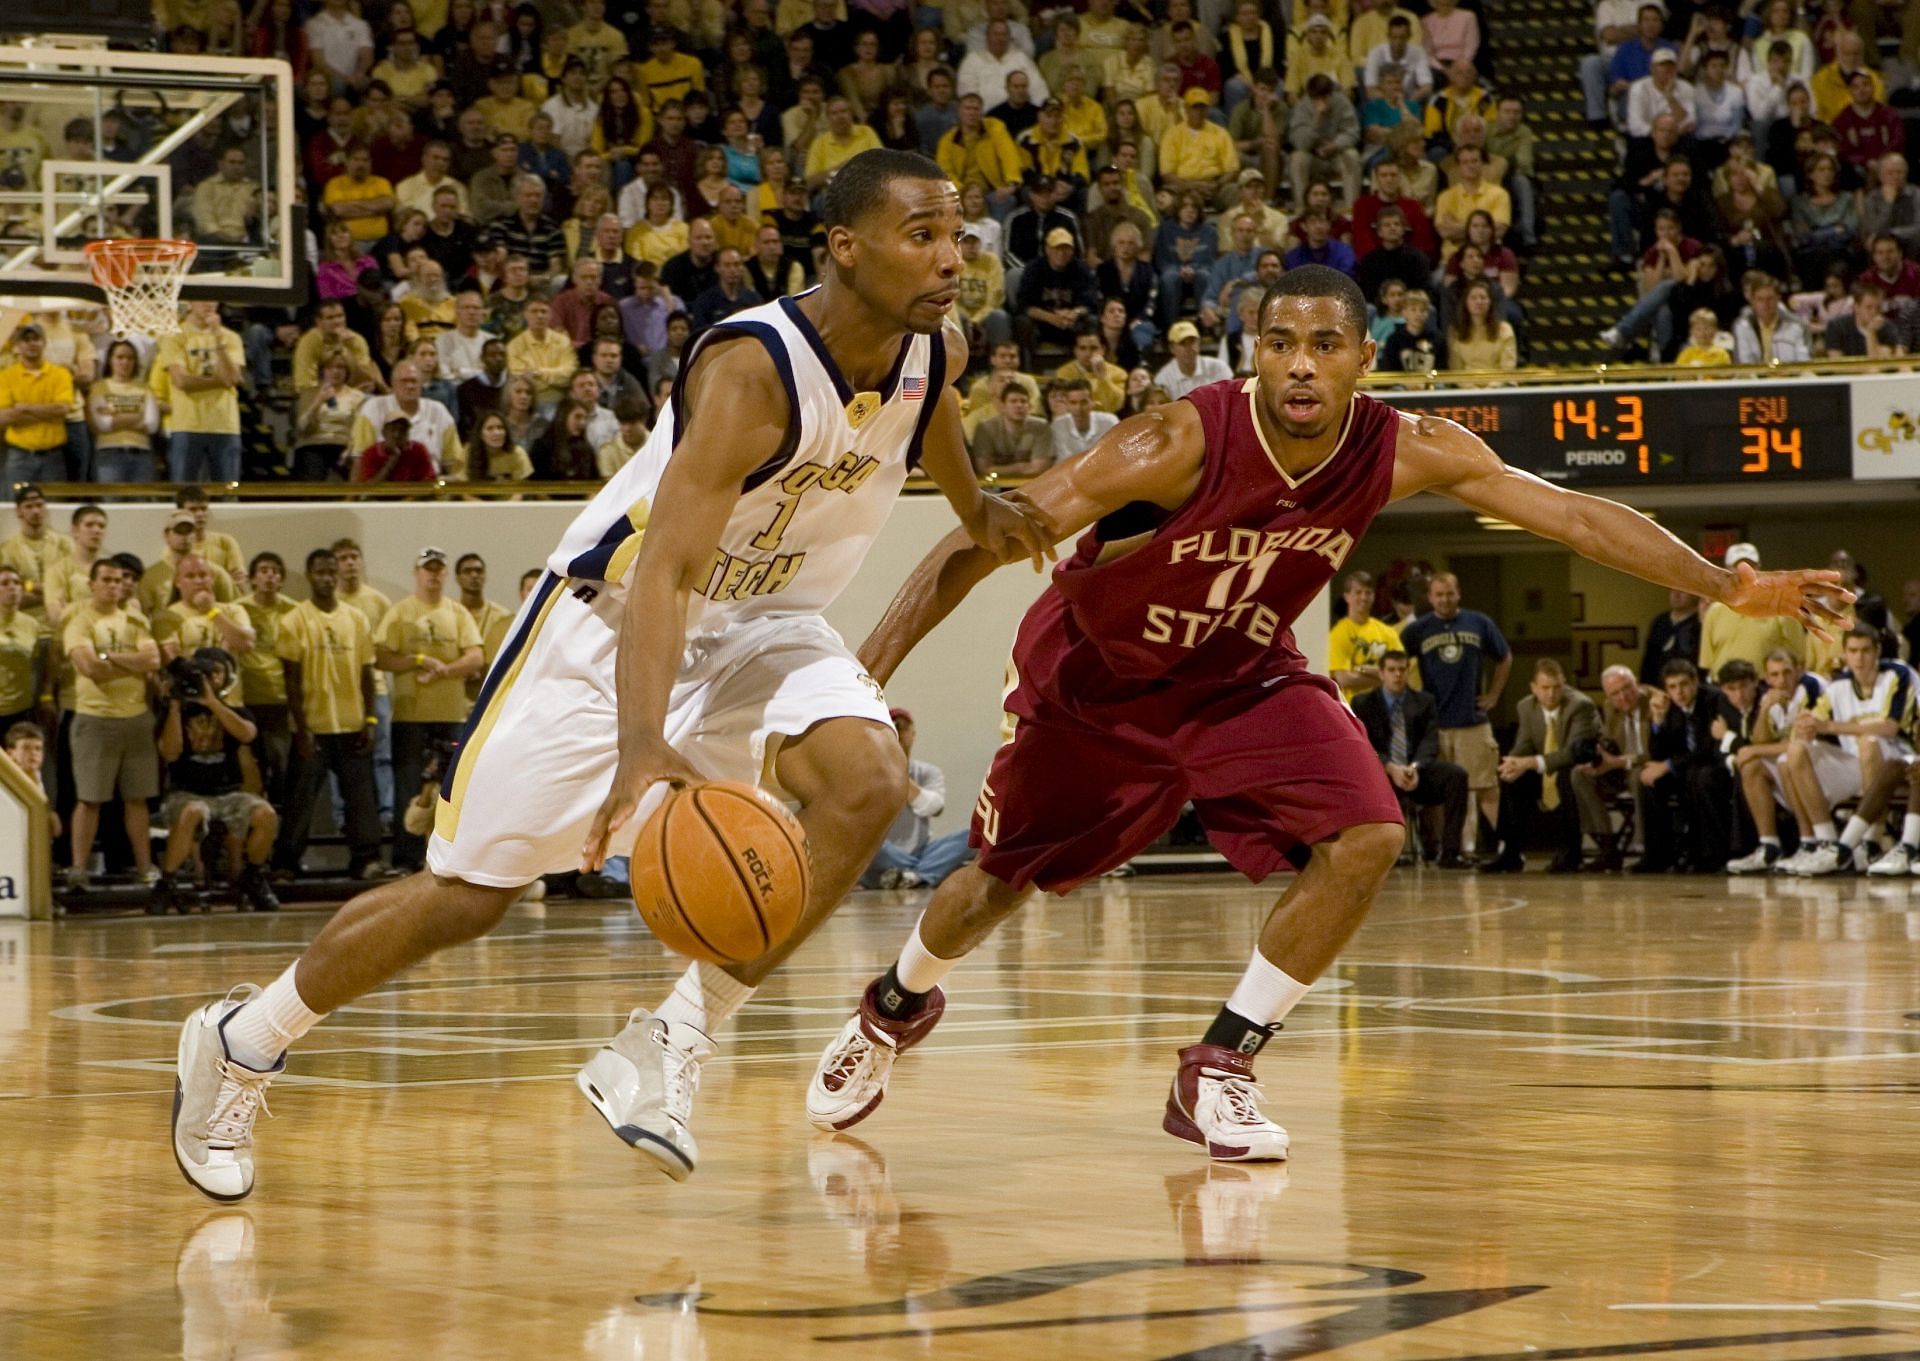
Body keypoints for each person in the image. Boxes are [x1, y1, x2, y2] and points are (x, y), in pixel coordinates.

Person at [801, 265, 1844, 1160]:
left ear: (1365, 359)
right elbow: (976, 540)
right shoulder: (1172, 441)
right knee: (994, 885)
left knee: (1368, 834)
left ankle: (1220, 1063)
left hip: (1241, 674)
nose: (1302, 363)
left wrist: (1725, 583)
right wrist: (860, 675)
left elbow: (1571, 511)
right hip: (1098, 685)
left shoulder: (1405, 446)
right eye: (1281, 343)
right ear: (1252, 353)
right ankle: (891, 1007)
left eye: (1326, 345)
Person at [168, 150, 1049, 1201]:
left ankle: (671, 1038)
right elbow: (669, 569)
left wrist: (973, 503)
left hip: (768, 621)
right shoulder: (752, 369)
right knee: (469, 895)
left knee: (869, 783)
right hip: (613, 619)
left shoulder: (934, 346)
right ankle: (243, 1038)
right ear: (846, 249)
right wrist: (643, 739)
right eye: (923, 236)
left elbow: (931, 407)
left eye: (958, 233)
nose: (952, 257)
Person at [275, 547, 388, 881]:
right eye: (319, 572)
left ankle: (366, 859)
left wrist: (370, 720)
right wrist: (301, 728)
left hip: (354, 725)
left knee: (361, 800)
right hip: (313, 728)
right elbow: (290, 681)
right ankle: (286, 863)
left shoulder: (356, 619)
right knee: (300, 801)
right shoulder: (294, 620)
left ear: (337, 576)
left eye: (330, 572)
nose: (326, 578)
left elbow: (367, 674)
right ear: (310, 576)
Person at [153, 647, 281, 915]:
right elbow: (170, 752)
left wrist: (213, 704)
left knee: (266, 814)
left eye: (216, 675)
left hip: (228, 792)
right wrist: (175, 708)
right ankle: (167, 883)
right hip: (185, 792)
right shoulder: (174, 711)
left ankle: (253, 876)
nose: (211, 681)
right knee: (192, 811)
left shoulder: (236, 711)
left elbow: (247, 735)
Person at [1779, 627, 1915, 877]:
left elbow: (1890, 727)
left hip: (1895, 759)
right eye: (1853, 651)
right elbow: (1812, 724)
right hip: (1854, 763)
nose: (1859, 658)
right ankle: (1827, 841)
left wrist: (1828, 726)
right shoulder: (1837, 686)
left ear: (1877, 651)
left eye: (1865, 651)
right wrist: (1806, 726)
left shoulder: (1896, 674)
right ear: (1845, 654)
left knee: (1869, 741)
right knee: (1795, 752)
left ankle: (1872, 841)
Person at [63, 559, 162, 894]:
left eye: (119, 580)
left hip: (135, 717)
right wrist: (126, 662)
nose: (113, 586)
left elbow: (152, 660)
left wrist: (111, 659)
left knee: (138, 799)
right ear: (92, 584)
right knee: (90, 799)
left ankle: (146, 867)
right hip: (95, 718)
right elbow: (90, 668)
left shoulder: (135, 620)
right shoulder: (79, 622)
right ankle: (78, 868)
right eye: (106, 580)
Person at [1400, 572, 1509, 859]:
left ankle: (1500, 846)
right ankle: (1446, 849)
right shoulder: (1417, 630)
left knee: (1486, 786)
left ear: (1458, 593)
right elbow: (1396, 664)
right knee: (1442, 792)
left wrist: (1495, 695)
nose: (1445, 600)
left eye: (1449, 594)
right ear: (1430, 597)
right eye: (1439, 594)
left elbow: (1504, 657)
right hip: (1436, 724)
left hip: (1473, 720)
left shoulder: (1479, 622)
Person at [1351, 650, 1469, 866]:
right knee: (1368, 780)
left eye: (1402, 670)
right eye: (1392, 670)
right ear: (1381, 673)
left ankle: (1450, 853)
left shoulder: (1424, 701)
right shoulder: (1363, 703)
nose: (1397, 675)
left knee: (1457, 776)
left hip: (1415, 771)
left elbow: (1429, 741)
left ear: (1408, 671)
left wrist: (1415, 767)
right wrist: (1390, 767)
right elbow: (1365, 745)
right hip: (1382, 773)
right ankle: (1385, 853)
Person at [1484, 660, 1600, 873]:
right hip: (1544, 766)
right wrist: (1513, 763)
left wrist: (1529, 762)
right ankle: (1511, 853)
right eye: (1545, 688)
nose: (1551, 694)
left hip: (1576, 769)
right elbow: (1525, 744)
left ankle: (1570, 853)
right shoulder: (1526, 706)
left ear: (1564, 684)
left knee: (1567, 776)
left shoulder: (1581, 706)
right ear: (1534, 688)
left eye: (1557, 687)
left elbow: (1573, 753)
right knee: (1513, 778)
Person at [1724, 647, 1826, 875]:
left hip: (1826, 758)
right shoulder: (1772, 696)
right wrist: (1765, 709)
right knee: (1751, 767)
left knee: (1786, 759)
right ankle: (1769, 845)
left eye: (1787, 672)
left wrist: (1753, 749)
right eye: (1775, 674)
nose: (1782, 680)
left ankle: (1809, 842)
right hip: (1799, 761)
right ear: (1767, 677)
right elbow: (1760, 738)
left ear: (1799, 670)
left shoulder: (1810, 688)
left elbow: (1801, 743)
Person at [860, 707, 974, 889]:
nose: (899, 733)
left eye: (904, 728)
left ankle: (909, 876)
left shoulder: (929, 772)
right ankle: (923, 874)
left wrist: (898, 773)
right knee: (866, 843)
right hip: (885, 852)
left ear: (913, 733)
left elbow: (933, 807)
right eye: (894, 727)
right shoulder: (868, 774)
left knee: (973, 836)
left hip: (921, 850)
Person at [1638, 658, 1733, 873]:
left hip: (1714, 765)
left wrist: (1668, 765)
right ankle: (1658, 856)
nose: (1678, 692)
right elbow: (1658, 753)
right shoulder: (1669, 705)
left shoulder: (1713, 700)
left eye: (1683, 685)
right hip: (1686, 767)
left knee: (1699, 777)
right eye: (1672, 687)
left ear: (1695, 682)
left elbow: (1709, 747)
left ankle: (1709, 854)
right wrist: (1658, 720)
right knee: (1649, 780)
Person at [1570, 664, 1656, 871]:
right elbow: (1610, 742)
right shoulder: (1610, 707)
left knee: (1638, 774)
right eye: (1615, 693)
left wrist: (1618, 762)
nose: (1623, 697)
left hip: (1649, 767)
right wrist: (1599, 760)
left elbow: (1656, 753)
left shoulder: (1654, 703)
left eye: (1627, 688)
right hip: (1621, 770)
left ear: (1636, 683)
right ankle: (1607, 844)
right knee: (1579, 773)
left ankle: (1645, 848)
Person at [154, 301, 247, 483]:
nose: (209, 304)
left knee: (229, 492)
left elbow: (234, 378)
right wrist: (220, 381)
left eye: (213, 299)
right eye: (203, 299)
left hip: (225, 425)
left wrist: (218, 340)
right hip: (187, 426)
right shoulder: (174, 336)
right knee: (184, 491)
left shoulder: (230, 337)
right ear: (189, 303)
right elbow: (181, 380)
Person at [0, 324, 77, 485]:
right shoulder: (6, 376)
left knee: (55, 508)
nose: (31, 344)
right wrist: (47, 411)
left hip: (53, 457)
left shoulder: (60, 374)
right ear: (17, 345)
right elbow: (3, 417)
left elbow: (62, 409)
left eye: (36, 339)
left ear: (44, 343)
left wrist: (25, 409)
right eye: (26, 340)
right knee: (14, 506)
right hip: (19, 456)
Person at [1327, 569, 1401, 702]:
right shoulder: (1338, 633)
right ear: (1347, 596)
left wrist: (1361, 669)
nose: (1363, 597)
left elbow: (1400, 671)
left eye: (1368, 592)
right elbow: (1344, 679)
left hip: (1385, 708)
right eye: (1358, 592)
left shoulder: (1387, 632)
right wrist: (1384, 677)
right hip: (1354, 707)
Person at [1153, 319, 1232, 399]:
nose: (1188, 348)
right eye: (1182, 343)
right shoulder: (1163, 379)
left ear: (1199, 343)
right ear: (1172, 348)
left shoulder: (1219, 368)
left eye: (1192, 342)